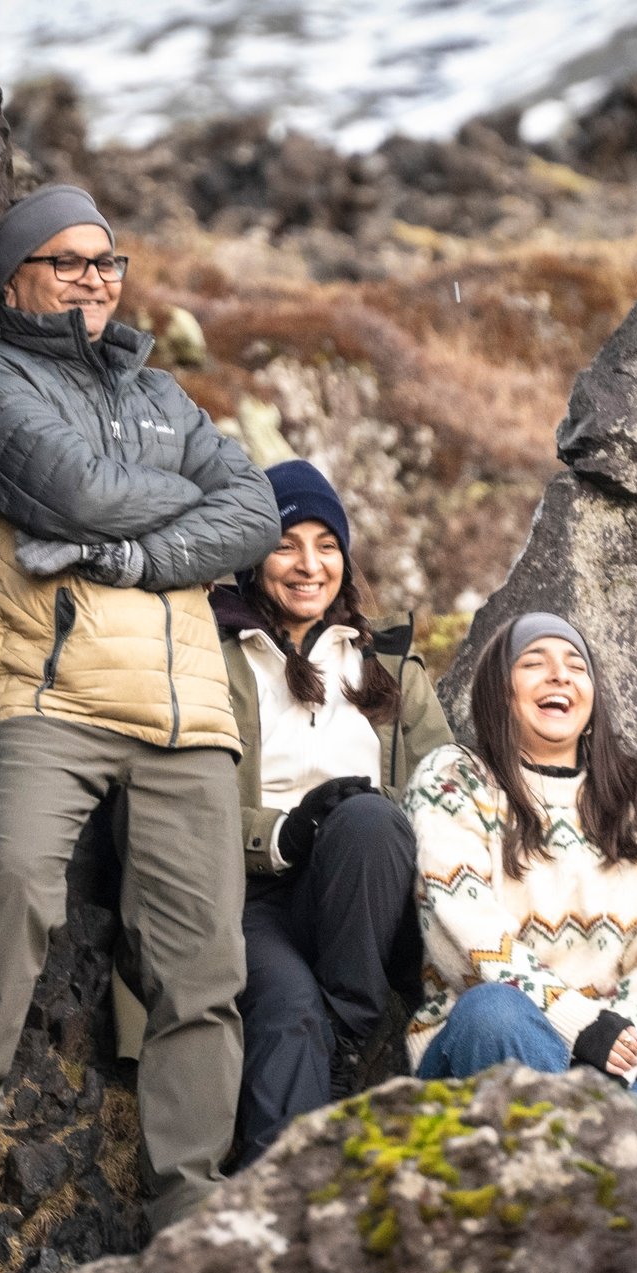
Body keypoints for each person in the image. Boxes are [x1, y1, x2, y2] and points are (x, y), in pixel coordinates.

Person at [0, 183, 279, 1231]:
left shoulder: (164, 396)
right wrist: (165, 502)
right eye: (70, 262)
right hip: (49, 694)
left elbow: (258, 513)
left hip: (189, 714)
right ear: (16, 276)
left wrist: (134, 554)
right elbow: (82, 494)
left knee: (204, 967)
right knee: (12, 883)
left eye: (109, 263)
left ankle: (188, 1205)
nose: (97, 281)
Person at [211, 459, 452, 1165]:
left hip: (362, 898)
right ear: (255, 557)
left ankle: (351, 1036)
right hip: (250, 899)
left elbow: (443, 796)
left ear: (346, 560)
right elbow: (187, 798)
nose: (308, 564)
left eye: (327, 545)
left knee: (372, 818)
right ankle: (276, 1218)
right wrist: (282, 832)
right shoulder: (215, 654)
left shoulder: (393, 669)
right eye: (287, 543)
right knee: (287, 1013)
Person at [402, 612, 637, 1122]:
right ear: (500, 692)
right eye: (534, 663)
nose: (560, 675)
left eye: (577, 665)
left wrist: (621, 1035)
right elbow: (462, 924)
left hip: (620, 1043)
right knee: (495, 1016)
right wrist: (577, 1024)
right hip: (488, 1041)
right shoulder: (453, 779)